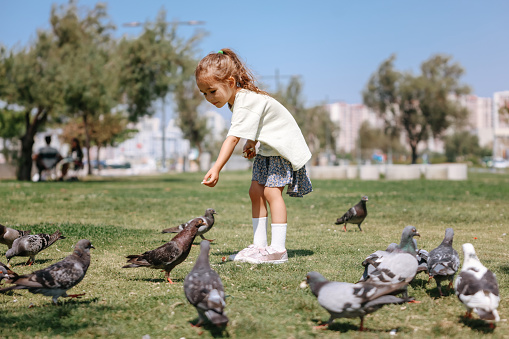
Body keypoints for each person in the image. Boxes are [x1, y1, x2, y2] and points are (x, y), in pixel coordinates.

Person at [196, 48, 313, 264]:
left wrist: (216, 168)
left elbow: (232, 138)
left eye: (212, 91)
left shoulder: (246, 100)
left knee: (271, 193)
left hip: (282, 149)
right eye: (204, 93)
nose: (208, 98)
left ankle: (278, 250)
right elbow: (259, 123)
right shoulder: (237, 101)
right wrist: (252, 141)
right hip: (268, 149)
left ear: (230, 82)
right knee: (255, 191)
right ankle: (259, 246)